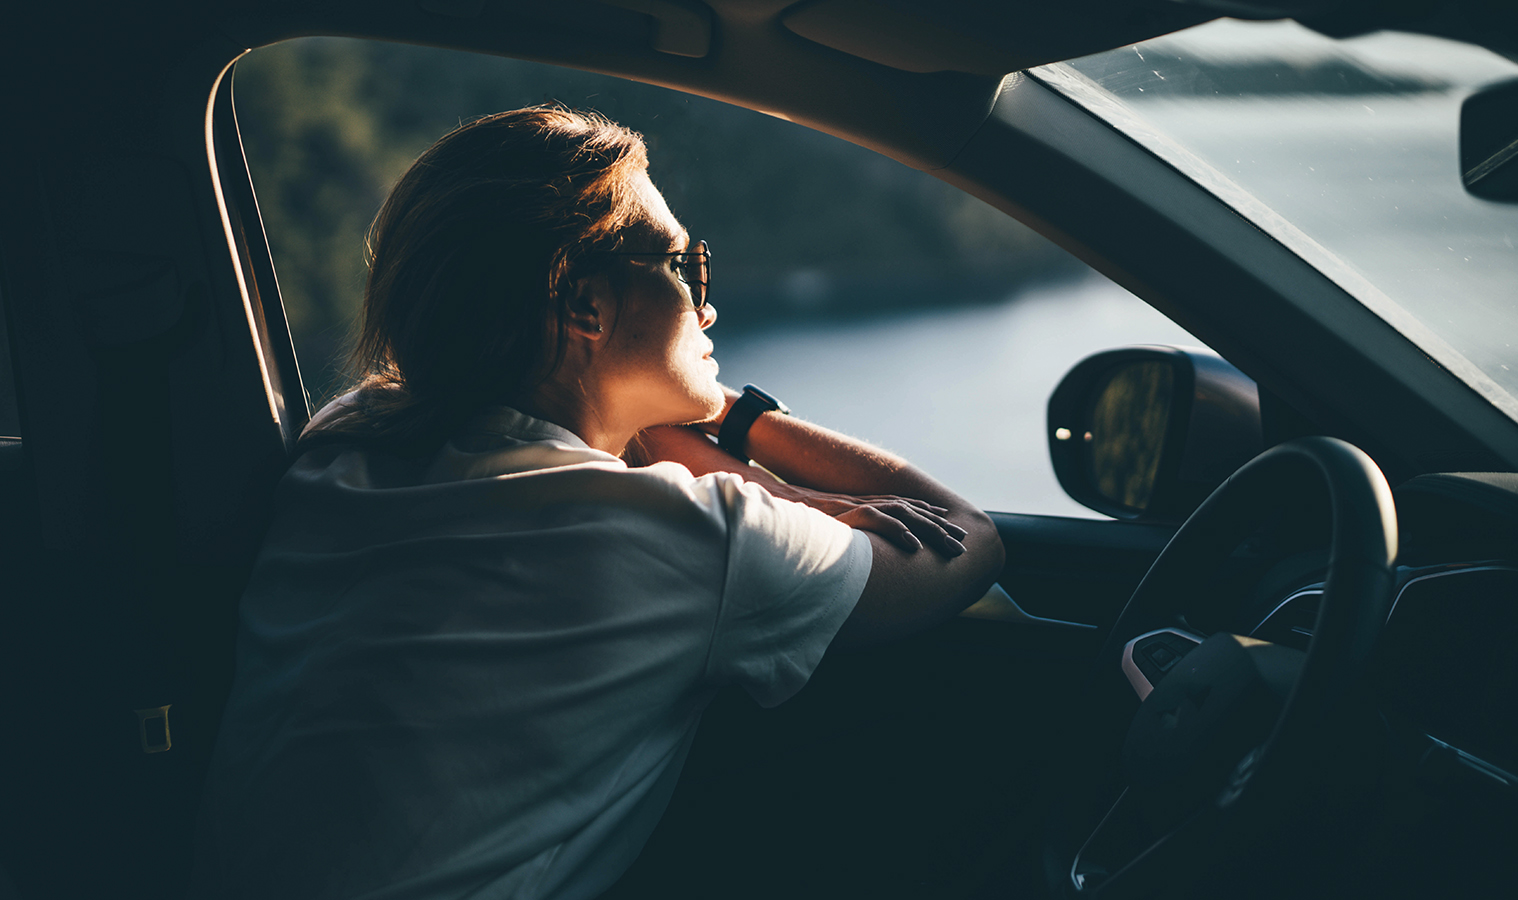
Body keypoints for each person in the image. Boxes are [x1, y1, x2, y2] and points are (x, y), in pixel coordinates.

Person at [193, 106, 1004, 900]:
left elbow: (585, 435)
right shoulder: (685, 539)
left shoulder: (351, 438)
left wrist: (668, 404)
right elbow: (970, 541)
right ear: (582, 301)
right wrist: (730, 410)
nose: (705, 304)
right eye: (683, 269)